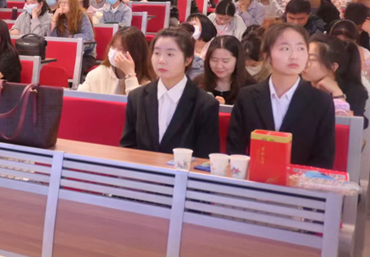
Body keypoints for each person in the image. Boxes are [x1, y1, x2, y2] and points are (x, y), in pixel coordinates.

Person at [227, 23, 335, 168]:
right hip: (254, 177)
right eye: (285, 49)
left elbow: (323, 158)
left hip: (300, 180)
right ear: (267, 56)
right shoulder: (247, 97)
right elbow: (235, 149)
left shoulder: (321, 102)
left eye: (301, 48)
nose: (294, 56)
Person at [120, 28, 219, 158]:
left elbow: (205, 158)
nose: (161, 60)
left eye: (170, 54)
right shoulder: (137, 97)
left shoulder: (205, 104)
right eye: (156, 53)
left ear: (188, 59)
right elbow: (128, 147)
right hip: (142, 169)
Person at [303, 34, 367, 119]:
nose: (304, 63)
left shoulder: (354, 92)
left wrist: (337, 94)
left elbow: (353, 125)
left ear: (333, 67)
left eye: (311, 59)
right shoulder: (298, 87)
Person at [78, 26, 153, 95]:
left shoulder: (146, 83)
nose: (115, 52)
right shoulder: (98, 73)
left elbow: (136, 103)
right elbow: (79, 97)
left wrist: (130, 75)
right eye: (113, 46)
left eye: (122, 49)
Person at [193, 35, 255, 105]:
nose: (219, 66)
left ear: (238, 60)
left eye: (225, 61)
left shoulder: (250, 88)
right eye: (214, 60)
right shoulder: (198, 82)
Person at [51, 0, 97, 75]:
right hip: (65, 54)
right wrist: (54, 19)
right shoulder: (60, 18)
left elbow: (88, 36)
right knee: (53, 66)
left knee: (76, 67)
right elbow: (53, 39)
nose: (62, 5)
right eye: (61, 2)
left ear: (73, 4)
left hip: (85, 55)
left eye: (65, 2)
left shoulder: (82, 15)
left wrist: (71, 38)